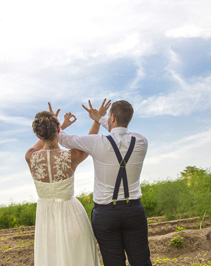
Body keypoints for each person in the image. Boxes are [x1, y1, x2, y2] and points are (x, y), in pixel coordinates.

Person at [57, 99, 152, 266]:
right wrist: (100, 118)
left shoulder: (97, 142)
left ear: (113, 117)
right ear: (129, 118)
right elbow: (119, 132)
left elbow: (63, 140)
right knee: (142, 262)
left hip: (106, 214)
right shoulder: (141, 141)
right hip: (134, 212)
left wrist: (57, 122)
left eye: (109, 116)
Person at [25, 108, 104, 266]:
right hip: (72, 215)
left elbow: (43, 140)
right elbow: (91, 141)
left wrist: (57, 126)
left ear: (38, 135)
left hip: (46, 220)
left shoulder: (30, 156)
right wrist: (97, 120)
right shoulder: (71, 156)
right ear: (58, 129)